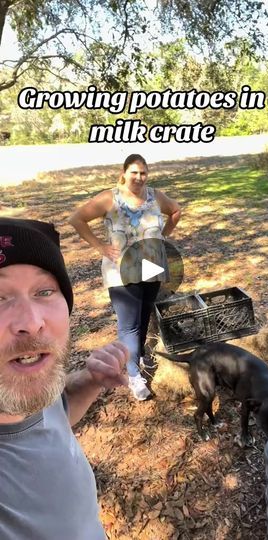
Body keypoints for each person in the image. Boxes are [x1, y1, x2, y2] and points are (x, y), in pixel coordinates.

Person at [0, 217, 129, 540]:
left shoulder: (26, 388)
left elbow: (55, 412)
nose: (31, 322)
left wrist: (90, 381)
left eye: (44, 291)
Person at [69, 154, 181, 400]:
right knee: (128, 325)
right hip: (121, 270)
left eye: (143, 173)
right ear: (124, 172)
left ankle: (138, 356)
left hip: (151, 266)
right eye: (134, 172)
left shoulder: (155, 196)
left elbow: (175, 211)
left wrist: (162, 237)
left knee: (143, 316)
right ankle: (133, 375)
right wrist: (100, 246)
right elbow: (76, 219)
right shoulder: (110, 198)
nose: (139, 178)